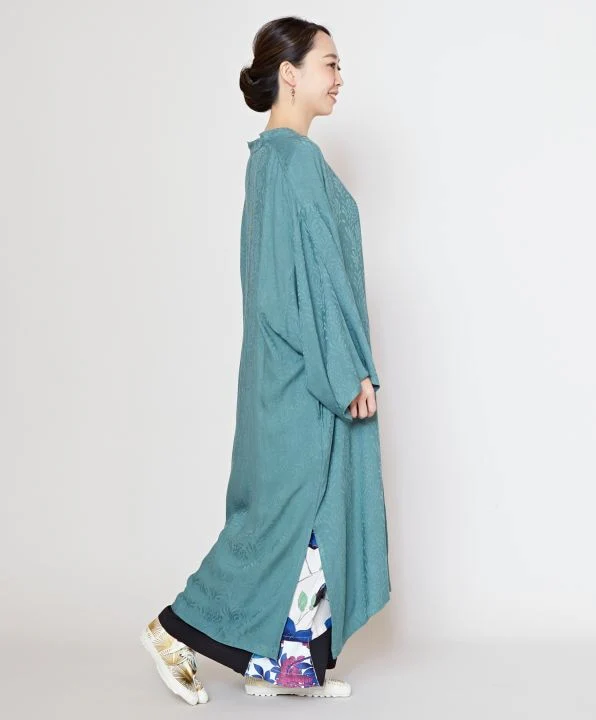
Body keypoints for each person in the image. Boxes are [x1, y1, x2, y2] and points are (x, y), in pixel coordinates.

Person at [140, 16, 391, 704]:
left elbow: (288, 282)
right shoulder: (294, 161)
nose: (339, 78)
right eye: (329, 64)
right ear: (290, 74)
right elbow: (312, 283)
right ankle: (172, 630)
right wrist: (346, 371)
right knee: (281, 515)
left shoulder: (270, 159)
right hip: (302, 376)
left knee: (303, 513)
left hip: (278, 371)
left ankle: (286, 664)